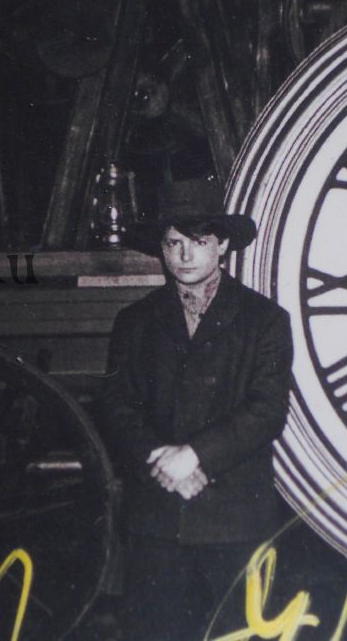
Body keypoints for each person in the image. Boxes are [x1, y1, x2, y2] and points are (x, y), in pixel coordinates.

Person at [100, 178, 293, 640]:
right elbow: (116, 405)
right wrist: (162, 460)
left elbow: (267, 409)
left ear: (222, 245)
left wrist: (195, 455)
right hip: (156, 524)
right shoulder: (134, 321)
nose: (185, 255)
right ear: (161, 249)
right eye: (174, 243)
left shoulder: (265, 320)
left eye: (199, 241)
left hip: (236, 525)